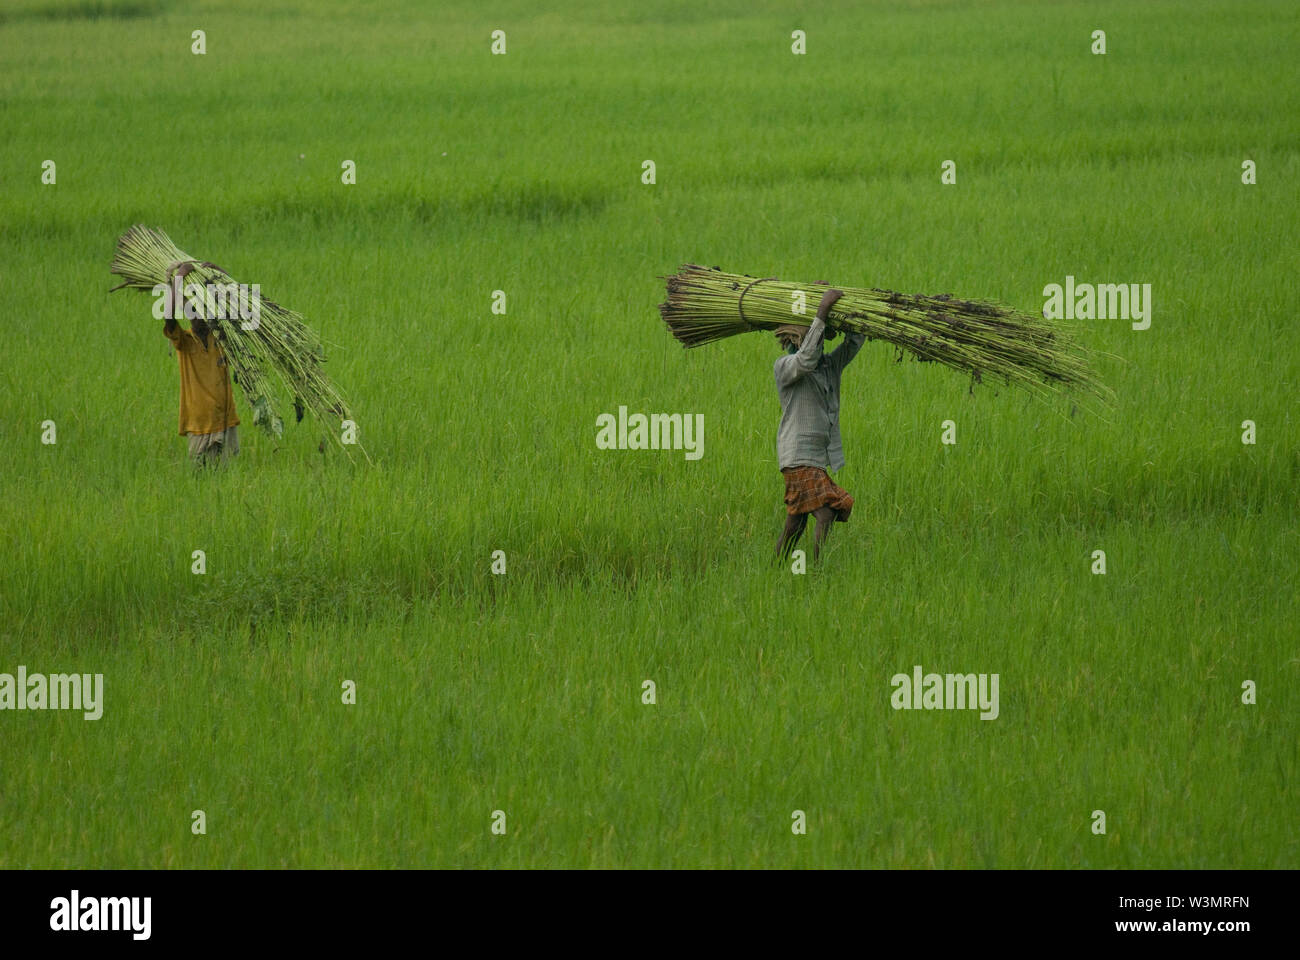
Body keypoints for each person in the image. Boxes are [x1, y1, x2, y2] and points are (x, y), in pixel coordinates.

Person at [773, 287, 866, 561]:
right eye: (816, 338)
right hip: (796, 455)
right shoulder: (786, 366)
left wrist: (857, 318)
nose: (821, 344)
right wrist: (822, 310)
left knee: (795, 524)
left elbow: (852, 345)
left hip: (815, 457)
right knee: (825, 511)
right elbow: (807, 358)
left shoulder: (828, 366)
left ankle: (775, 569)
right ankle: (818, 568)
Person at [163, 261, 240, 465]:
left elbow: (240, 303)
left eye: (204, 311)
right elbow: (168, 318)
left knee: (226, 475)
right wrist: (179, 277)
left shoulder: (222, 340)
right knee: (199, 476)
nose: (200, 316)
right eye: (194, 311)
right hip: (199, 423)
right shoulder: (185, 343)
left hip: (224, 419)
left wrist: (219, 271)